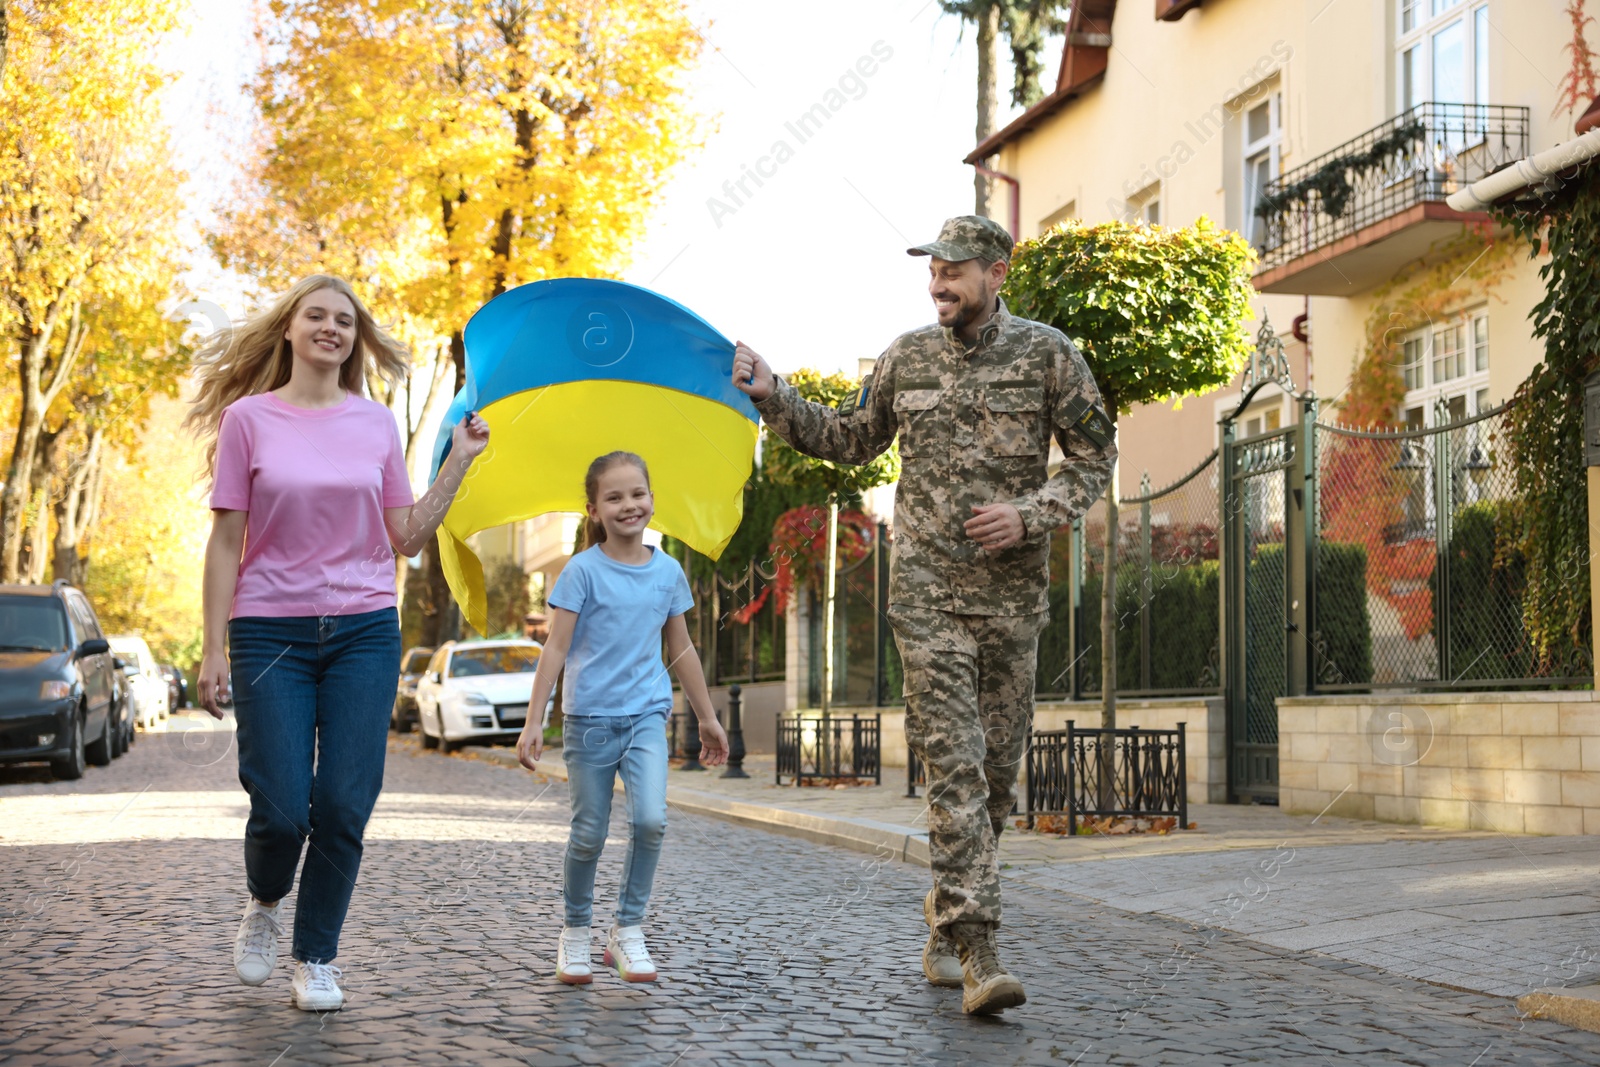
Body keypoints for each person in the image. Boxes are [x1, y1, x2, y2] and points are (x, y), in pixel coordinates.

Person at [731, 216, 1115, 1015]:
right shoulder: (905, 355)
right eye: (933, 271)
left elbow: (1093, 459)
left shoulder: (1048, 354)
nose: (940, 284)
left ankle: (944, 924)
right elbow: (846, 438)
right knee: (957, 767)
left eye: (956, 271)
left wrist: (1031, 511)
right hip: (927, 598)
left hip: (1012, 601)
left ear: (998, 272)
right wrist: (774, 396)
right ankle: (980, 951)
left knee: (999, 783)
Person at [188, 274, 491, 1012]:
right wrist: (213, 647)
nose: (331, 327)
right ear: (288, 330)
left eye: (344, 321)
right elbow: (226, 540)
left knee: (345, 802)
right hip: (269, 630)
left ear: (355, 339)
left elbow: (407, 538)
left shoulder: (376, 424)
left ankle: (315, 954)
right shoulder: (248, 419)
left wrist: (459, 457)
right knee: (284, 805)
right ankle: (264, 897)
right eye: (315, 316)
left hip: (363, 630)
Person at [515, 451, 730, 986]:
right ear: (594, 510)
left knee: (651, 820)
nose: (628, 504)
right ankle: (576, 933)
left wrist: (707, 717)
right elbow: (555, 650)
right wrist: (535, 719)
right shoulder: (581, 571)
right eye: (614, 497)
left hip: (646, 718)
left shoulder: (669, 572)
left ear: (652, 500)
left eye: (637, 493)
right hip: (588, 720)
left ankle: (628, 929)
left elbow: (681, 650)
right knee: (588, 832)